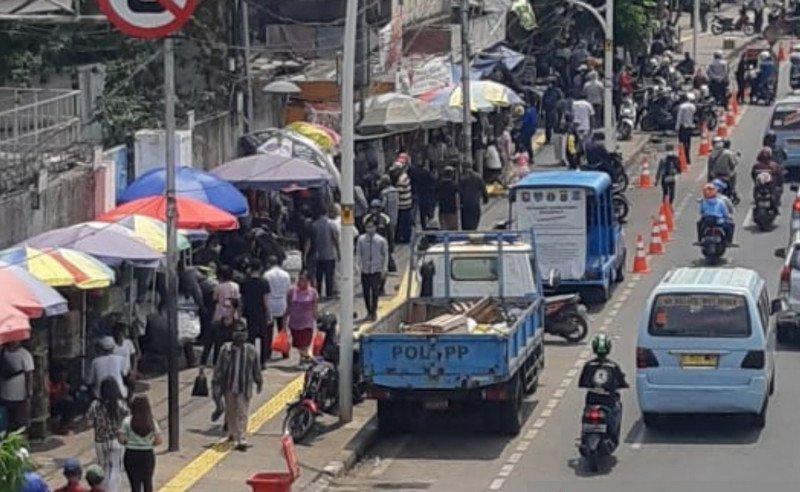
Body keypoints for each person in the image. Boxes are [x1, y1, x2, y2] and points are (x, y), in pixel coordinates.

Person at [213, 322, 262, 450]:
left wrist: (259, 381)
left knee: (242, 412)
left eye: (242, 334)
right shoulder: (225, 350)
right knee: (231, 411)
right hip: (229, 386)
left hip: (243, 387)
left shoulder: (251, 351)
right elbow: (218, 368)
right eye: (237, 335)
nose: (240, 338)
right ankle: (232, 434)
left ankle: (241, 437)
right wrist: (216, 383)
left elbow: (256, 368)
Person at [578, 334, 628, 448]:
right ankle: (613, 436)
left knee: (586, 414)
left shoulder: (588, 365)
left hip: (592, 399)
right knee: (617, 410)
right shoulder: (613, 366)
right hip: (608, 401)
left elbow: (581, 383)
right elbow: (621, 382)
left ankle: (584, 435)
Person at [86, 378, 128, 492]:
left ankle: (103, 489)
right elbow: (128, 419)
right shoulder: (120, 404)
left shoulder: (95, 405)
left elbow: (89, 423)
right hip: (116, 440)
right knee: (115, 469)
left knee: (103, 468)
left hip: (100, 441)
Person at [119, 395, 161, 492]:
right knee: (148, 482)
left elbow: (121, 440)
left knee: (135, 485)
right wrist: (149, 444)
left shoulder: (127, 421)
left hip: (131, 454)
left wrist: (126, 441)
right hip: (147, 455)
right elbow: (159, 440)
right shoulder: (151, 422)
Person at [355, 220, 389, 321]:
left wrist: (384, 269)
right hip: (365, 270)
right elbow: (358, 254)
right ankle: (369, 311)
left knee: (375, 291)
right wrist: (358, 266)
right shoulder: (361, 240)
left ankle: (373, 312)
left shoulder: (381, 240)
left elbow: (385, 255)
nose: (369, 229)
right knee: (366, 292)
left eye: (371, 227)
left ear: (375, 228)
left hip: (376, 269)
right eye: (367, 227)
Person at [241, 258, 272, 368]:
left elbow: (242, 299)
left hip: (249, 312)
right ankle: (263, 361)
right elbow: (265, 300)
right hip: (261, 312)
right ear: (260, 268)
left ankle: (250, 360)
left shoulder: (245, 282)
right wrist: (268, 313)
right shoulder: (264, 282)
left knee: (251, 337)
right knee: (264, 337)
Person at [285, 271, 319, 365]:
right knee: (298, 344)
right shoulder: (292, 291)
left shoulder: (313, 292)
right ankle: (306, 358)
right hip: (294, 323)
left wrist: (317, 320)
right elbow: (288, 306)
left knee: (306, 343)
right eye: (299, 279)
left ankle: (305, 360)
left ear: (308, 281)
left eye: (303, 279)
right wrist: (284, 320)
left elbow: (315, 307)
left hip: (307, 323)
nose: (300, 281)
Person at [0, 341, 34, 432]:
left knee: (20, 422)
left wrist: (29, 391)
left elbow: (29, 374)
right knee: (7, 421)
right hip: (4, 394)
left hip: (19, 395)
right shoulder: (3, 352)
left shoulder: (25, 354)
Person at [310, 211, 340, 299]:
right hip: (330, 254)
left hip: (318, 255)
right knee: (329, 276)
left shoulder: (314, 225)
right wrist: (338, 252)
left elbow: (311, 240)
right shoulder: (332, 224)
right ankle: (329, 294)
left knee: (318, 276)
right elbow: (335, 239)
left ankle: (318, 293)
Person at [264, 256, 291, 343]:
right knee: (282, 329)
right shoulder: (286, 275)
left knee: (269, 330)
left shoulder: (266, 275)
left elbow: (265, 292)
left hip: (270, 303)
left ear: (269, 263)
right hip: (282, 302)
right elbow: (288, 290)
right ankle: (284, 351)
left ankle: (267, 351)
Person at [458, 167, 489, 231]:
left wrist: (460, 202)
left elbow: (460, 191)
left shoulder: (462, 178)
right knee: (475, 217)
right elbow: (484, 189)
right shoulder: (478, 177)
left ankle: (467, 231)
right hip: (475, 202)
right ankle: (473, 229)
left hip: (465, 203)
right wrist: (486, 199)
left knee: (465, 220)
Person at [393, 162, 413, 244]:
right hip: (407, 204)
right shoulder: (405, 176)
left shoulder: (401, 180)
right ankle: (406, 237)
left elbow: (398, 192)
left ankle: (403, 238)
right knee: (406, 222)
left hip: (403, 205)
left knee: (402, 223)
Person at [675, 93, 696, 165]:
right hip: (690, 126)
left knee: (682, 143)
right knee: (688, 143)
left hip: (683, 127)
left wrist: (677, 127)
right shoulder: (693, 106)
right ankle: (688, 158)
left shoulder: (682, 107)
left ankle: (682, 158)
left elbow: (679, 118)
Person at [541, 78, 563, 144]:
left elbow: (560, 100)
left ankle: (557, 139)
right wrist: (542, 110)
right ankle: (548, 139)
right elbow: (543, 101)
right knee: (548, 126)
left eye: (550, 83)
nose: (549, 85)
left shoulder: (557, 91)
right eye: (548, 83)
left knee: (556, 124)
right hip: (548, 110)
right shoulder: (547, 91)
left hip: (555, 109)